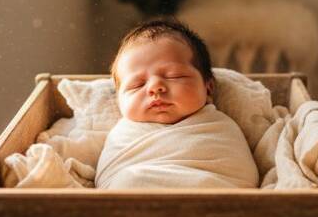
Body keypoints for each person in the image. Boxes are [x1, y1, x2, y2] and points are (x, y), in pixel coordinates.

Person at [95, 18, 259, 189]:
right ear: (119, 99)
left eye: (174, 76)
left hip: (210, 193)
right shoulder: (121, 134)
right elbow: (107, 180)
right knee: (128, 180)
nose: (155, 87)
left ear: (208, 88)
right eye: (137, 84)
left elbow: (240, 177)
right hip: (133, 198)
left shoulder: (220, 127)